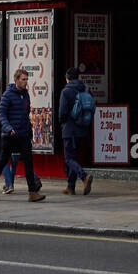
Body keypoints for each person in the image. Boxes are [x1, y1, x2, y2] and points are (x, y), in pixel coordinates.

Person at [0, 68, 45, 202]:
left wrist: (29, 130)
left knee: (28, 163)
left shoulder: (26, 95)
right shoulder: (8, 95)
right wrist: (8, 128)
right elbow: (1, 114)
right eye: (23, 79)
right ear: (16, 80)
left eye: (26, 80)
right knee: (2, 162)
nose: (26, 82)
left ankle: (32, 192)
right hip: (10, 135)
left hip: (23, 134)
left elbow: (25, 115)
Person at [58, 67, 94, 196]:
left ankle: (84, 176)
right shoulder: (85, 89)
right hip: (82, 129)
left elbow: (62, 113)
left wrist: (62, 122)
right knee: (74, 157)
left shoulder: (66, 91)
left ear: (67, 78)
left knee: (68, 158)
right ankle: (70, 187)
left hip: (69, 129)